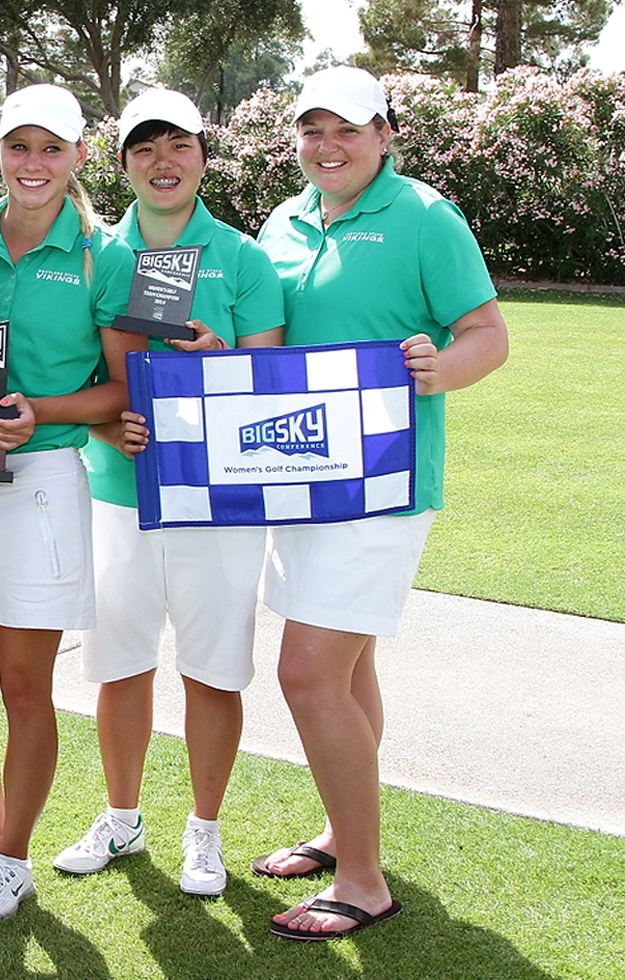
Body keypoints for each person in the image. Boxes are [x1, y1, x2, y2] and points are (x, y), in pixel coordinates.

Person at [252, 65, 508, 939]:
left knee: (307, 671)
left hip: (386, 486)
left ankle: (363, 880)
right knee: (350, 669)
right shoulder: (284, 220)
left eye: (347, 130)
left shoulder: (427, 217)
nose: (327, 146)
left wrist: (444, 367)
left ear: (386, 135)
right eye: (311, 130)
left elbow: (486, 333)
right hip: (300, 475)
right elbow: (267, 335)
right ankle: (343, 831)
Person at [0, 84, 143, 925]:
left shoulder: (102, 254)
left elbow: (122, 389)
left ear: (80, 157)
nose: (34, 164)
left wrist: (38, 412)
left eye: (53, 149)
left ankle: (12, 861)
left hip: (45, 484)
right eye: (19, 147)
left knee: (24, 691)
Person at [51, 88, 286, 897]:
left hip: (220, 498)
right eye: (144, 148)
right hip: (119, 491)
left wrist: (216, 363)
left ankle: (205, 831)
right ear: (120, 164)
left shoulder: (246, 259)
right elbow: (70, 377)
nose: (162, 162)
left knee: (214, 669)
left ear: (203, 158)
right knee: (119, 664)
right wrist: (106, 424)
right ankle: (121, 818)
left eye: (178, 145)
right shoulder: (94, 252)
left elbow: (268, 384)